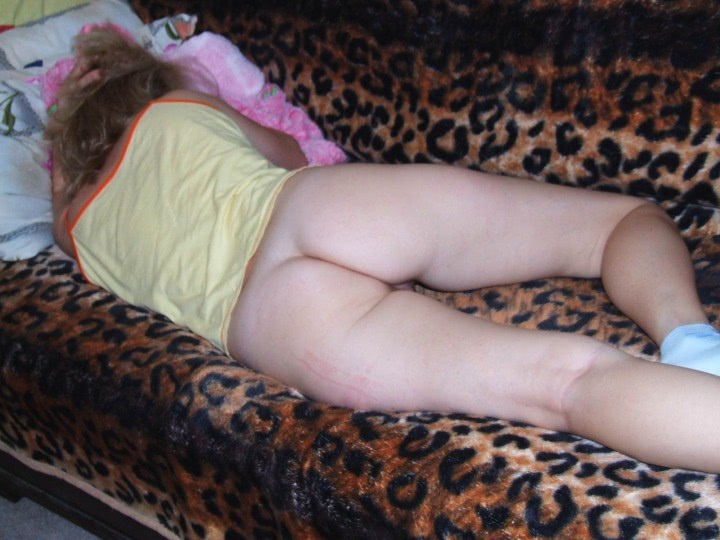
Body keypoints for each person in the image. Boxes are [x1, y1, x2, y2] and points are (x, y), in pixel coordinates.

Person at [48, 28, 720, 474]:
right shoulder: (174, 105)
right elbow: (287, 151)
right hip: (308, 210)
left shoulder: (76, 230)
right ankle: (689, 337)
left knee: (564, 386)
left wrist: (64, 182)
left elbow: (66, 224)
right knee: (619, 221)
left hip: (269, 319)